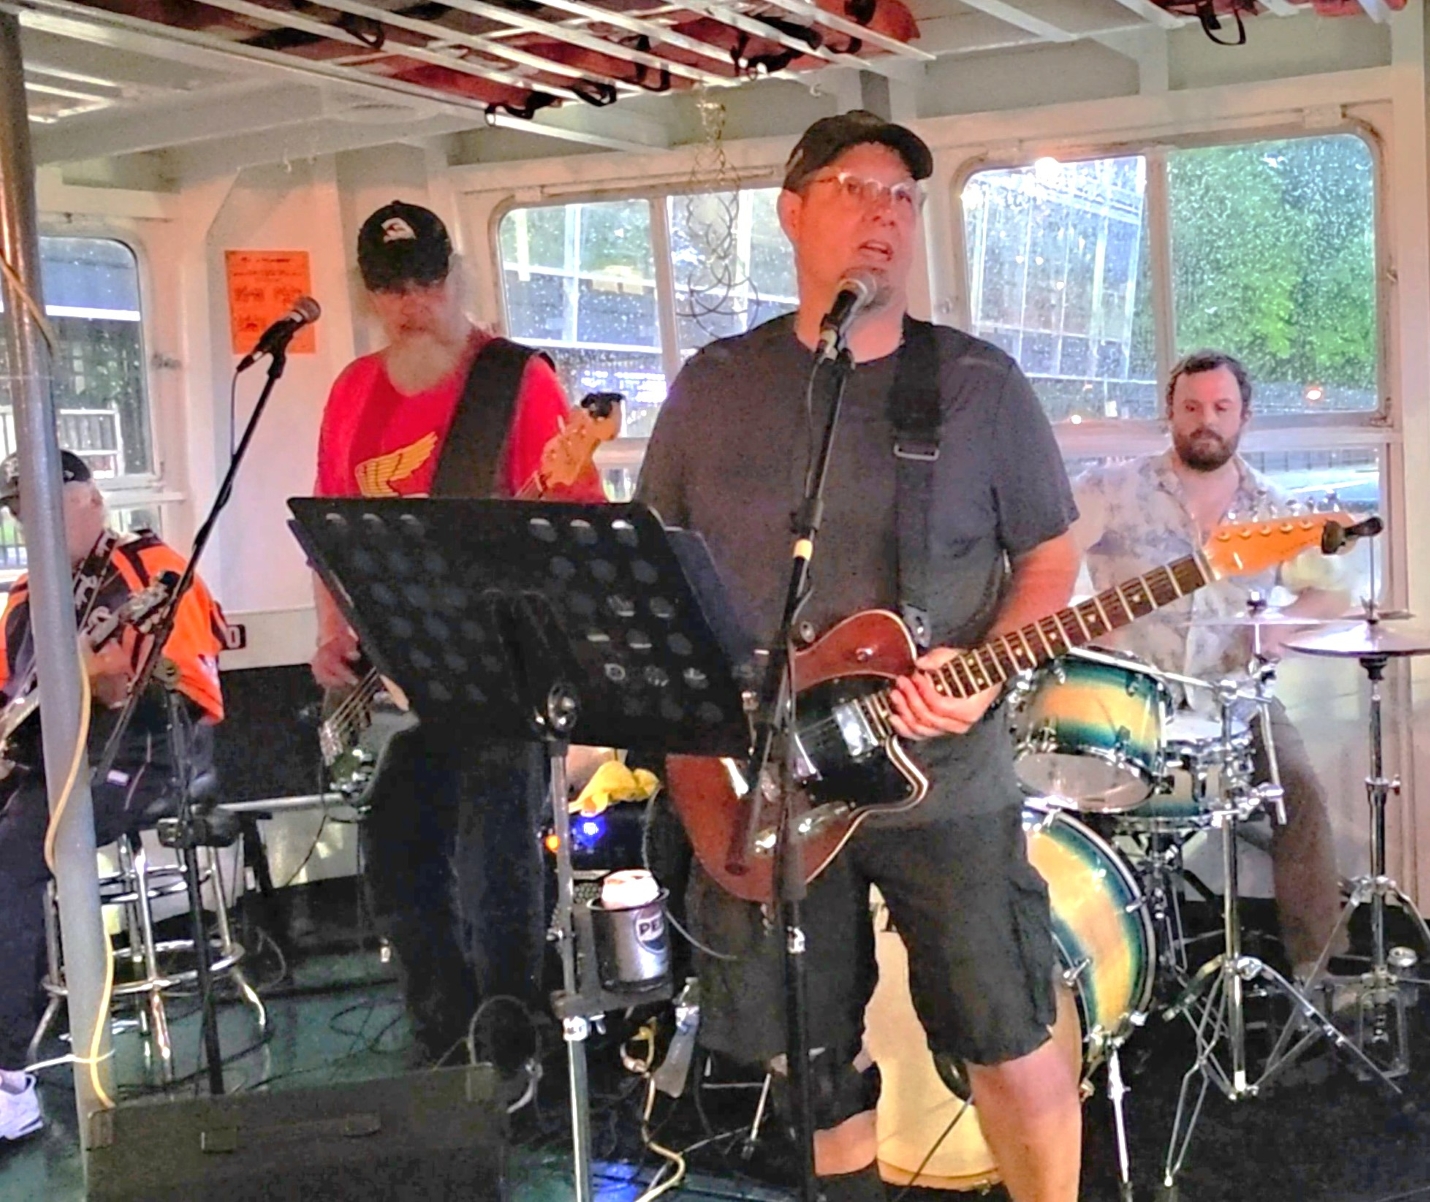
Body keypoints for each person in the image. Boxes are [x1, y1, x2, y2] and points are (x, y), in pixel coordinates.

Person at [636, 112, 1085, 1202]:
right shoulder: (715, 384)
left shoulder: (978, 385)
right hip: (770, 784)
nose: (885, 214)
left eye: (903, 197)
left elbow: (1053, 553)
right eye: (856, 188)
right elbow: (656, 564)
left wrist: (975, 667)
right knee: (815, 1066)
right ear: (791, 211)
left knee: (1005, 1028)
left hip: (945, 777)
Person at [310, 201, 604, 1085]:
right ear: (371, 294)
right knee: (398, 854)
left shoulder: (518, 384)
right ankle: (440, 1034)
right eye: (394, 288)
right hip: (399, 670)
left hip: (501, 664)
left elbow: (579, 526)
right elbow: (329, 527)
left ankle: (512, 1038)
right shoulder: (353, 391)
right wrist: (332, 629)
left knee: (497, 856)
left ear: (458, 276)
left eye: (429, 282)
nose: (414, 304)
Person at [1067, 350, 1350, 979]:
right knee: (1075, 806)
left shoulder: (1273, 508)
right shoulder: (1109, 489)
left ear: (1244, 417)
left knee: (1297, 794)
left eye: (1221, 408)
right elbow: (1046, 556)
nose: (1206, 420)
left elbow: (1334, 593)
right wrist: (1090, 621)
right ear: (1169, 413)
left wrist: (1281, 625)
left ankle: (1317, 974)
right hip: (1128, 694)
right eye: (1191, 407)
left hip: (1233, 696)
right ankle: (1096, 975)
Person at [0, 450, 227, 1139]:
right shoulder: (21, 599)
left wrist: (115, 686)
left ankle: (10, 1079)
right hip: (43, 765)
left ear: (89, 503)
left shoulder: (150, 570)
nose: (24, 525)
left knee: (8, 858)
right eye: (16, 513)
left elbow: (190, 694)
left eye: (38, 509)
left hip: (141, 758)